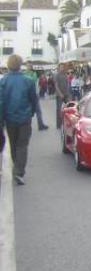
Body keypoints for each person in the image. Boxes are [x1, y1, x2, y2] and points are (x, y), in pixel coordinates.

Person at [0, 55, 38, 185]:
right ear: (20, 65)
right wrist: (31, 113)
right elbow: (34, 100)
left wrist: (2, 119)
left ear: (9, 65)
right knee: (22, 145)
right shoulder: (28, 81)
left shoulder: (3, 81)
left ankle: (16, 166)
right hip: (24, 117)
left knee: (13, 143)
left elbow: (1, 102)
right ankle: (19, 171)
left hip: (10, 118)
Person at [23, 62, 48, 130]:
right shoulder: (24, 74)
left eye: (30, 66)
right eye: (28, 66)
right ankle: (27, 126)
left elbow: (33, 80)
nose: (29, 67)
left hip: (34, 94)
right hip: (27, 95)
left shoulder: (33, 74)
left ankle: (40, 125)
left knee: (38, 111)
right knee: (28, 111)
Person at [54, 63, 71, 129]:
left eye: (63, 67)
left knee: (67, 109)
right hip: (59, 95)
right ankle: (59, 124)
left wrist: (69, 93)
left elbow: (68, 84)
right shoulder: (57, 75)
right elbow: (56, 85)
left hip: (66, 94)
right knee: (59, 110)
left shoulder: (65, 75)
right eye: (61, 67)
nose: (62, 68)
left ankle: (66, 123)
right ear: (59, 68)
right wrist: (60, 94)